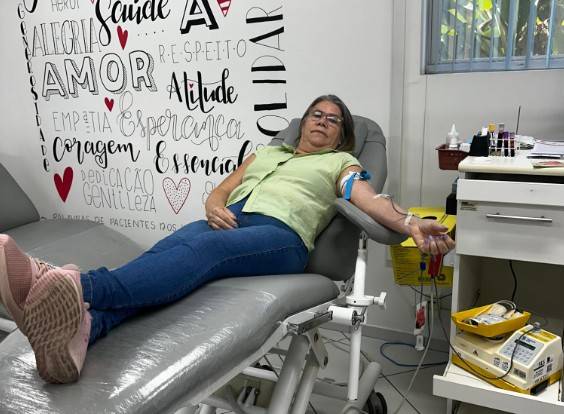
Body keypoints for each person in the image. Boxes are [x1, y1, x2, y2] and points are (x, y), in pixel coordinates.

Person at [0, 95, 455, 384]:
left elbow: (370, 200)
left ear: (341, 136)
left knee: (202, 251)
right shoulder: (267, 153)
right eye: (316, 114)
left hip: (281, 237)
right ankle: (83, 332)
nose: (322, 121)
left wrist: (411, 223)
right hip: (231, 221)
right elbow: (223, 188)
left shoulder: (339, 164)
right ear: (302, 124)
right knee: (165, 254)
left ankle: (73, 286)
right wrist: (214, 204)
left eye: (333, 120)